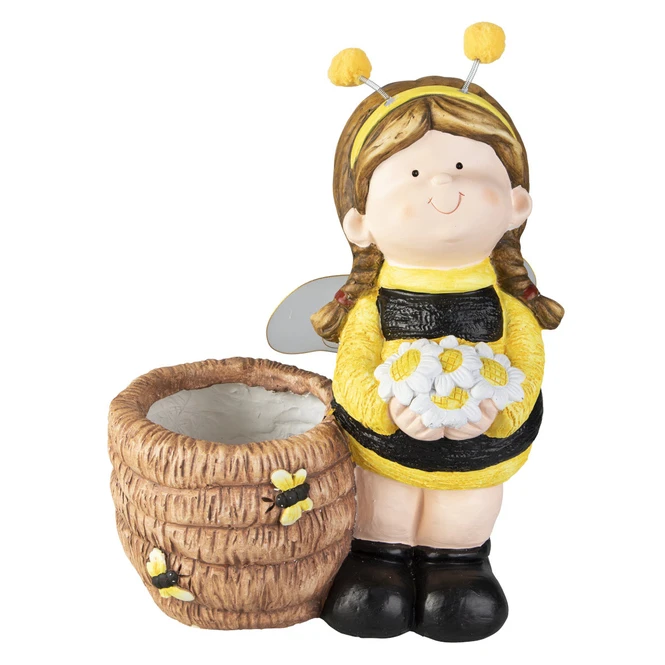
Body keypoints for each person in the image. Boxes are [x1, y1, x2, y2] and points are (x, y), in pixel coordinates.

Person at [311, 39, 564, 642]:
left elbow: (527, 370)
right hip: (386, 453)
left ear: (517, 205)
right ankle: (377, 565)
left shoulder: (511, 313)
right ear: (361, 222)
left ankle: (459, 570)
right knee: (386, 505)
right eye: (412, 175)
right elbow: (353, 371)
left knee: (463, 512)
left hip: (476, 456)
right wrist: (386, 408)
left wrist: (496, 412)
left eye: (465, 170)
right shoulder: (371, 312)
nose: (442, 186)